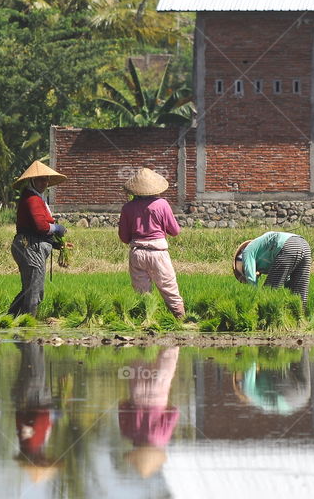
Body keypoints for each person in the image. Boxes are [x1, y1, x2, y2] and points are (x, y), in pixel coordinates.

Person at [118, 168, 185, 319]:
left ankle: (146, 319)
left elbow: (124, 237)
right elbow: (175, 231)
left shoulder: (127, 208)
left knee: (142, 292)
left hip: (137, 252)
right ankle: (180, 318)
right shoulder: (162, 204)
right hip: (158, 252)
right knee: (169, 288)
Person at [8, 161, 67, 317]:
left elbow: (37, 229)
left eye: (46, 179)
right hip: (29, 246)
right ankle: (27, 322)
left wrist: (55, 244)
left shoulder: (36, 198)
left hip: (31, 244)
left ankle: (10, 318)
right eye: (40, 179)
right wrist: (57, 228)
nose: (44, 183)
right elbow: (41, 226)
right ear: (32, 181)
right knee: (35, 292)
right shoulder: (32, 199)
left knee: (30, 290)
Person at [118, 347, 180, 479]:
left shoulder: (162, 438)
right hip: (138, 392)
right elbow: (123, 407)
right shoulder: (128, 433)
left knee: (167, 356)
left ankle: (169, 340)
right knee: (138, 356)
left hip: (160, 393)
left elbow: (173, 413)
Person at [12, 342, 59, 483]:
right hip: (36, 398)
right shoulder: (35, 445)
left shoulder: (30, 444)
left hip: (33, 398)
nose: (45, 458)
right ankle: (27, 339)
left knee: (34, 363)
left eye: (43, 461)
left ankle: (28, 338)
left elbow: (26, 421)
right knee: (35, 362)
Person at [233, 231, 312, 313]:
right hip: (305, 246)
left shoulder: (247, 251)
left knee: (268, 293)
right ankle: (300, 318)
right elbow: (285, 276)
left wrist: (253, 299)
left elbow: (251, 278)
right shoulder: (263, 252)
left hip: (288, 245)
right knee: (299, 294)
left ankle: (266, 317)